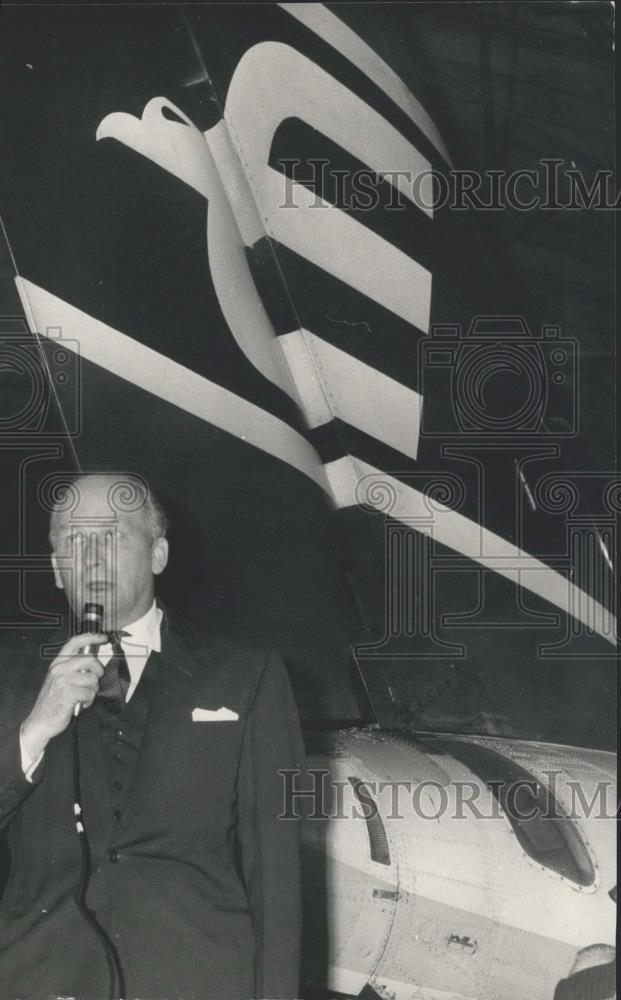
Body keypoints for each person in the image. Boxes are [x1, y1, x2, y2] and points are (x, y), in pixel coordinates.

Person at [0, 472, 305, 1000]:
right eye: (74, 541)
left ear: (158, 554)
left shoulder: (246, 673)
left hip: (197, 980)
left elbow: (276, 874)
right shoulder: (9, 674)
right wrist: (34, 730)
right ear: (55, 569)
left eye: (112, 537)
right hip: (42, 979)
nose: (92, 560)